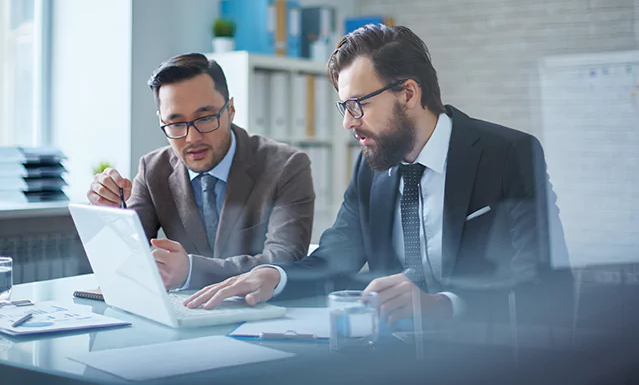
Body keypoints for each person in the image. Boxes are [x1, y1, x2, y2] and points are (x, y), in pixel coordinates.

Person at [183, 25, 573, 325]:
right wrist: (273, 276)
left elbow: (545, 284)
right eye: (344, 108)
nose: (348, 124)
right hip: (392, 356)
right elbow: (335, 258)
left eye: (358, 106)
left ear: (408, 93)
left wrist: (443, 306)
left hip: (491, 357)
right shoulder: (373, 168)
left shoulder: (507, 155)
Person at [87, 53, 314, 291]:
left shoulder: (287, 166)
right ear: (161, 121)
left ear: (231, 110)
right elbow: (125, 261)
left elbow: (284, 260)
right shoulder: (153, 169)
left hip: (260, 314)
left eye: (205, 118)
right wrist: (111, 215)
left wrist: (193, 271)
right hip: (182, 313)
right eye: (176, 124)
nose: (192, 138)